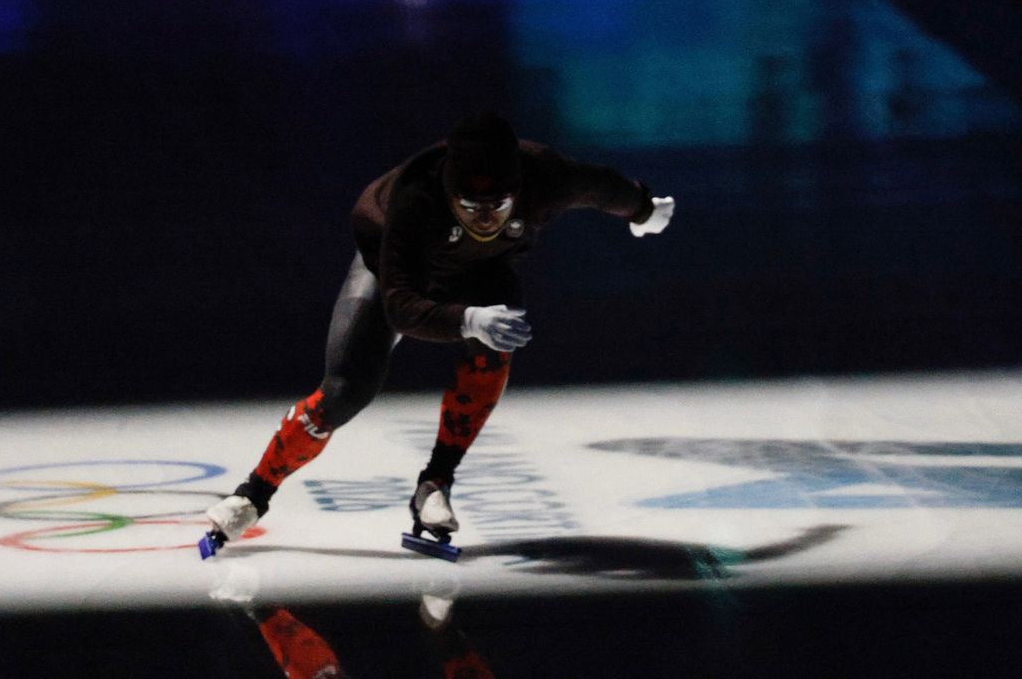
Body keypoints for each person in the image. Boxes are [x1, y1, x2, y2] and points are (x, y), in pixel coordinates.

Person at [202, 111, 674, 557]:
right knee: (346, 390)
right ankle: (252, 494)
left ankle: (436, 483)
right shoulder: (414, 199)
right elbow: (401, 308)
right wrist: (467, 319)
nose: (486, 219)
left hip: (483, 272)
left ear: (521, 188)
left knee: (495, 346)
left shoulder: (546, 176)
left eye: (499, 206)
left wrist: (643, 207)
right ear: (448, 193)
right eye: (470, 206)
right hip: (397, 272)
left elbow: (601, 187)